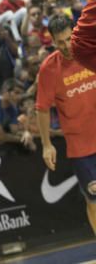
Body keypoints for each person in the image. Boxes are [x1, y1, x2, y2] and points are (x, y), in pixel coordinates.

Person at [38, 13, 96, 233]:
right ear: (52, 41)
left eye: (68, 39)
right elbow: (42, 108)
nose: (65, 46)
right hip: (81, 148)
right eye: (59, 41)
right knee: (94, 201)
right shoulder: (49, 69)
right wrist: (46, 145)